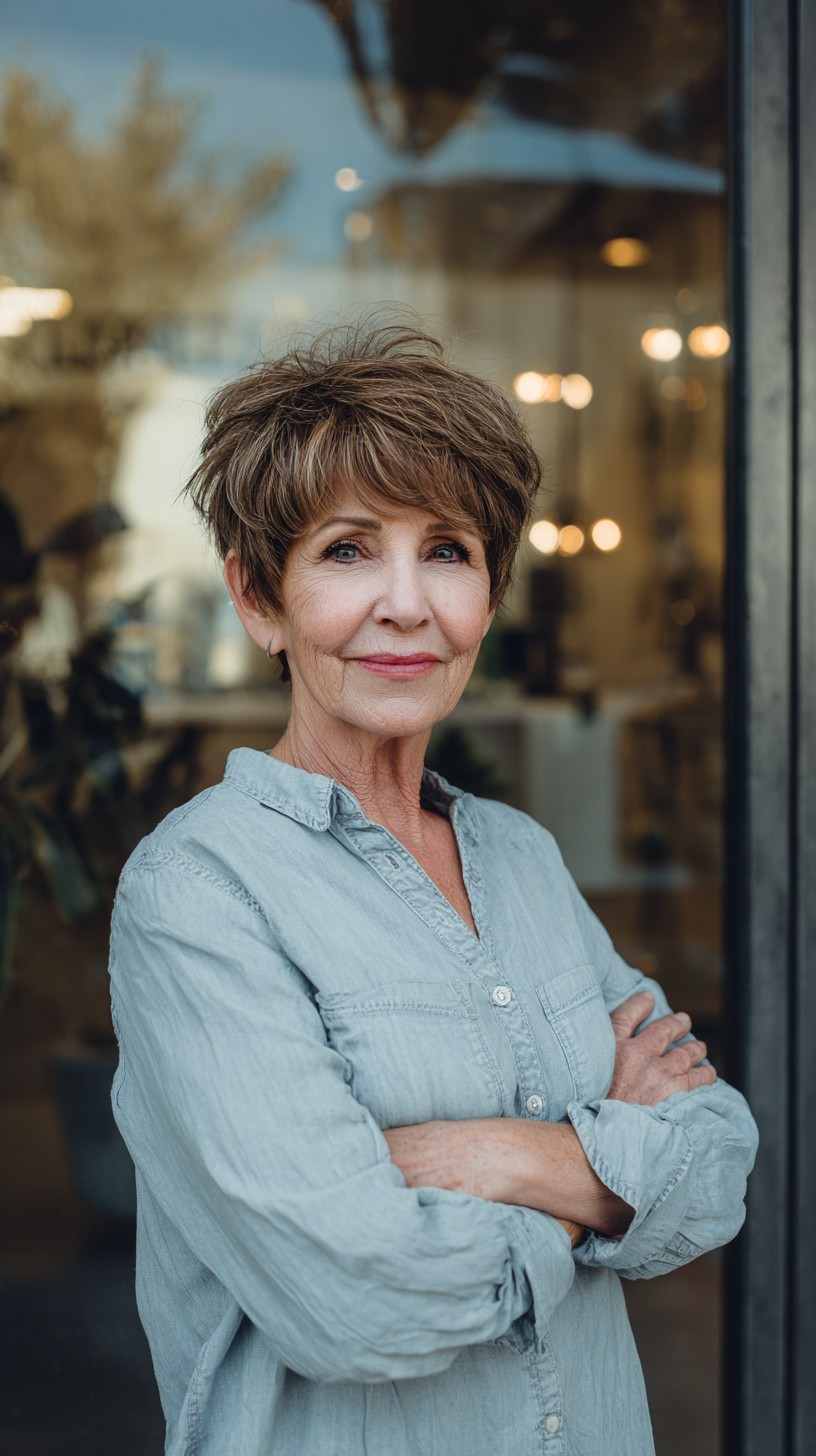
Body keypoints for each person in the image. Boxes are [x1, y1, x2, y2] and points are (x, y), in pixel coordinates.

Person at [108, 321, 759, 1456]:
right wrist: (604, 1181)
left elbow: (716, 1162)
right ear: (260, 598)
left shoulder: (523, 857)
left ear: (490, 594)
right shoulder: (197, 892)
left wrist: (500, 1156)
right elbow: (357, 1296)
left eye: (448, 550)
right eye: (349, 550)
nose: (407, 604)